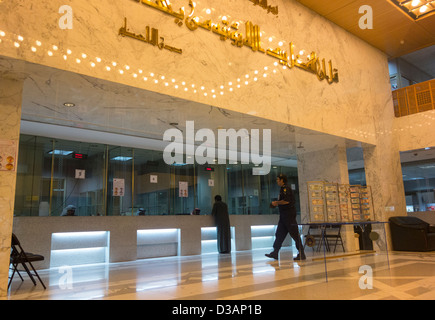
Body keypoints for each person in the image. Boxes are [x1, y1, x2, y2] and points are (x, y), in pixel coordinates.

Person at [266, 174, 306, 261]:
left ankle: (301, 253)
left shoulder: (286, 189)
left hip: (289, 215)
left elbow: (287, 201)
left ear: (282, 180)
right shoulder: (282, 189)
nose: (277, 181)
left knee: (295, 235)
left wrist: (276, 203)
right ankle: (275, 252)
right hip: (283, 215)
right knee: (279, 234)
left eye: (278, 180)